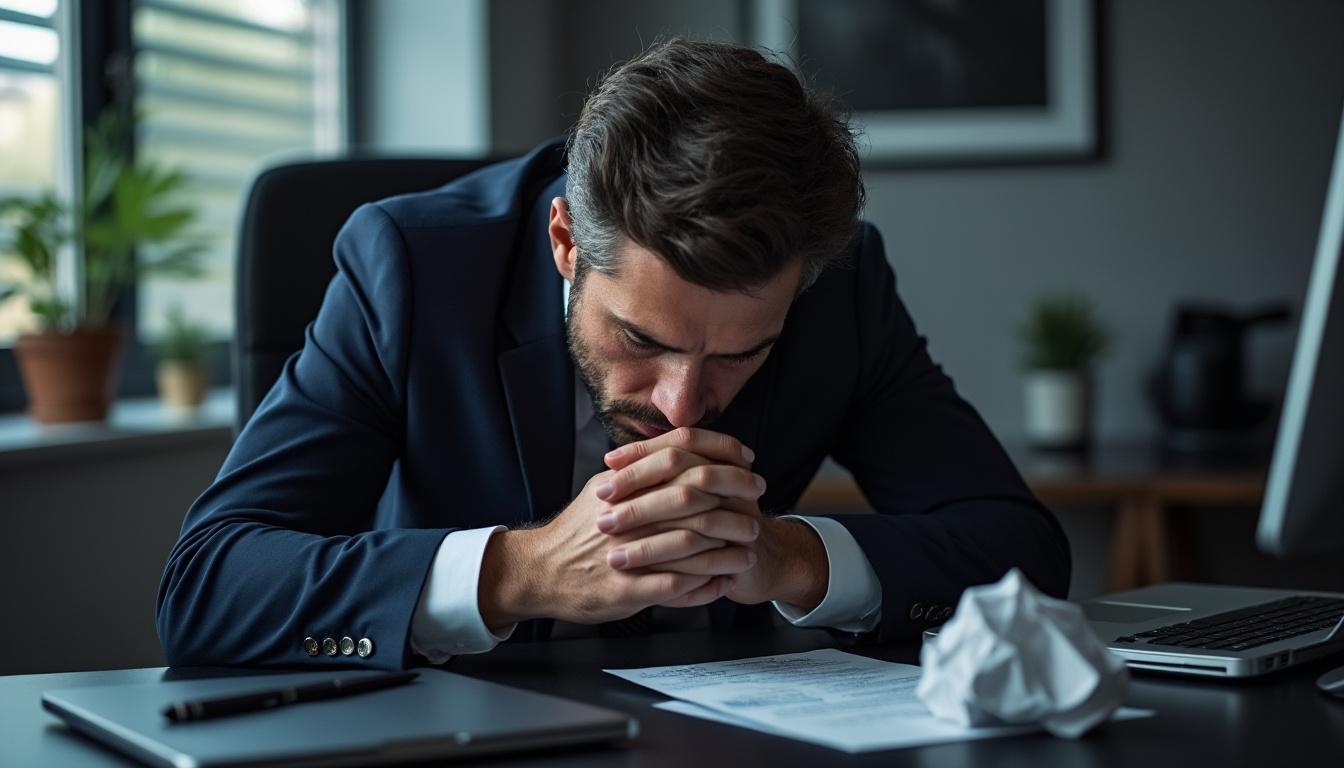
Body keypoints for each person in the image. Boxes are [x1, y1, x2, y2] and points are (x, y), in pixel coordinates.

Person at [157, 39, 1070, 669]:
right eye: (641, 339)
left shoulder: (842, 289)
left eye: (743, 354)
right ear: (565, 241)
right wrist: (521, 572)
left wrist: (792, 559)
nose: (682, 404)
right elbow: (207, 585)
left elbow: (1023, 552)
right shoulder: (409, 268)